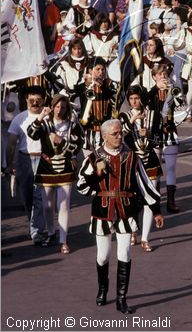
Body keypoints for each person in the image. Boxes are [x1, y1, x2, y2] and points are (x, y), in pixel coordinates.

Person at [77, 119, 164, 311]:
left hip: (126, 210)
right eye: (114, 134)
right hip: (102, 210)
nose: (119, 136)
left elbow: (145, 186)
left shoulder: (132, 157)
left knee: (124, 253)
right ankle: (102, 289)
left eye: (120, 133)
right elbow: (82, 187)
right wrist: (97, 175)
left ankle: (121, 299)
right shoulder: (94, 158)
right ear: (104, 136)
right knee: (103, 255)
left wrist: (156, 210)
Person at [27, 94, 83, 253]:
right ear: (52, 107)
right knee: (47, 206)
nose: (59, 110)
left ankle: (63, 240)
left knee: (64, 205)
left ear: (67, 108)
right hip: (46, 166)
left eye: (63, 107)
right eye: (57, 106)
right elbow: (31, 133)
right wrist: (40, 117)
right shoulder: (45, 123)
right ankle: (51, 232)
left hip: (65, 166)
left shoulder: (72, 125)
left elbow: (78, 146)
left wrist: (62, 141)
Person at [119, 85, 163, 251]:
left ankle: (145, 238)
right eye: (131, 99)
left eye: (137, 98)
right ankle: (133, 230)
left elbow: (160, 138)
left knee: (149, 197)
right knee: (132, 198)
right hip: (133, 160)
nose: (134, 102)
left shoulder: (154, 115)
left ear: (142, 98)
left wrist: (150, 136)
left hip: (150, 160)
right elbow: (120, 135)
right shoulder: (125, 115)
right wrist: (132, 121)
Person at [5, 86, 46, 245]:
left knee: (39, 198)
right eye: (32, 101)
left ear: (43, 100)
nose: (35, 103)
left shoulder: (47, 117)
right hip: (24, 160)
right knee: (27, 198)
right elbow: (11, 144)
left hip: (43, 160)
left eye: (38, 100)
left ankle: (37, 232)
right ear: (26, 101)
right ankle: (34, 223)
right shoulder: (19, 119)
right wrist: (10, 164)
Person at [146, 65, 183, 213]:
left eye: (165, 74)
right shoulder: (150, 93)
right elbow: (146, 105)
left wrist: (173, 92)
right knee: (155, 168)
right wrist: (156, 88)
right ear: (154, 77)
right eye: (160, 74)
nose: (163, 76)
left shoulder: (173, 91)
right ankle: (155, 199)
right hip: (155, 133)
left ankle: (171, 200)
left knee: (171, 167)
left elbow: (182, 109)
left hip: (170, 132)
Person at [79, 57, 117, 151]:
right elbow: (76, 96)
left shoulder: (110, 84)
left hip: (104, 129)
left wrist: (101, 85)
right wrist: (87, 85)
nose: (101, 72)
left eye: (103, 69)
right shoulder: (84, 84)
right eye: (97, 69)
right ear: (90, 70)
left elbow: (113, 99)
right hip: (89, 128)